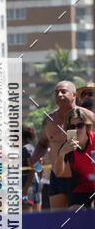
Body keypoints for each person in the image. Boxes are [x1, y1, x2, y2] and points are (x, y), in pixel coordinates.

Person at [31, 81, 95, 210]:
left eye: (63, 92)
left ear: (74, 95)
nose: (59, 95)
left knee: (79, 216)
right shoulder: (49, 120)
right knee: (58, 218)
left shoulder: (89, 117)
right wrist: (35, 158)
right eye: (56, 93)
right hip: (58, 175)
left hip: (81, 177)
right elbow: (42, 144)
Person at [52, 107, 95, 209]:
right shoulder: (67, 147)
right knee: (74, 211)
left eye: (80, 125)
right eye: (72, 126)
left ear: (87, 127)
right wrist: (62, 154)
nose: (76, 129)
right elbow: (58, 173)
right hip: (80, 188)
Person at [21, 126, 40, 212]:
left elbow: (33, 169)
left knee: (27, 213)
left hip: (28, 184)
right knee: (36, 213)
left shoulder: (26, 149)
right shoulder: (31, 147)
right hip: (34, 183)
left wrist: (26, 188)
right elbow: (38, 168)